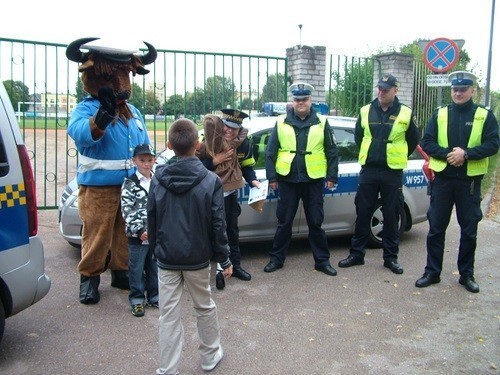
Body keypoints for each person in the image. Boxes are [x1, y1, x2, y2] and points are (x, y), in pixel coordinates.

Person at [66, 38, 157, 304]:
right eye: (112, 75)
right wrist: (102, 116)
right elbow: (81, 134)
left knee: (126, 232)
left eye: (125, 74)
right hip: (98, 186)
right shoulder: (86, 109)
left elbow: (144, 147)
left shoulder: (134, 112)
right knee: (97, 234)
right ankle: (89, 279)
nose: (121, 82)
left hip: (131, 185)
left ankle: (121, 273)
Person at [148, 118, 233, 374]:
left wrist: (155, 249)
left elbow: (152, 217)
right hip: (198, 257)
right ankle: (209, 357)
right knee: (204, 307)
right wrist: (225, 259)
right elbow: (218, 225)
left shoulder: (157, 178)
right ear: (198, 145)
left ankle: (168, 369)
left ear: (170, 145)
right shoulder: (210, 180)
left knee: (168, 315)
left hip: (167, 257)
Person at [415, 71, 499, 293]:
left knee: (469, 230)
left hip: (469, 181)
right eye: (455, 90)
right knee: (436, 228)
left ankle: (466, 275)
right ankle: (432, 272)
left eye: (463, 89)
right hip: (443, 180)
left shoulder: (484, 115)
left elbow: (493, 144)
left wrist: (467, 154)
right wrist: (449, 154)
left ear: (472, 91)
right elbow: (427, 142)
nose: (458, 93)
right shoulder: (440, 113)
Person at [337, 74, 419, 275]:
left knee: (391, 215)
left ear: (395, 91)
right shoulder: (366, 110)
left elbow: (413, 140)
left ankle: (390, 258)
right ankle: (357, 254)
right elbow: (358, 137)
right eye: (379, 88)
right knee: (363, 211)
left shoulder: (406, 113)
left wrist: (394, 155)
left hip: (392, 171)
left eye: (386, 89)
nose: (381, 92)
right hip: (369, 170)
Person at [264, 82, 339, 276]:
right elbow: (270, 152)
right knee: (284, 223)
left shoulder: (322, 122)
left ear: (310, 100)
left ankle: (322, 261)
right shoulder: (281, 122)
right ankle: (276, 259)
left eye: (304, 99)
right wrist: (272, 177)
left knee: (315, 223)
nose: (301, 103)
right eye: (297, 100)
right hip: (288, 180)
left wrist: (332, 176)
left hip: (313, 180)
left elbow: (332, 151)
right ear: (293, 101)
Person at [198, 109, 259, 289]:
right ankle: (208, 270)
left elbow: (247, 165)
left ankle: (236, 266)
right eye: (226, 126)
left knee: (232, 230)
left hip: (231, 193)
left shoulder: (244, 143)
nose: (229, 131)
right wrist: (214, 161)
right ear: (221, 124)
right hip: (211, 193)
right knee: (212, 232)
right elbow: (194, 165)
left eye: (234, 128)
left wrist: (253, 180)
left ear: (239, 129)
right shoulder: (206, 138)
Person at [121, 144, 159, 317]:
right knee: (136, 269)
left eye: (150, 160)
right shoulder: (130, 183)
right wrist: (139, 230)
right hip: (138, 236)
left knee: (154, 267)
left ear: (155, 160)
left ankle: (155, 296)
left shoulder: (157, 180)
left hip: (155, 234)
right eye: (142, 160)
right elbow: (127, 209)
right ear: (134, 161)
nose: (146, 164)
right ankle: (137, 299)